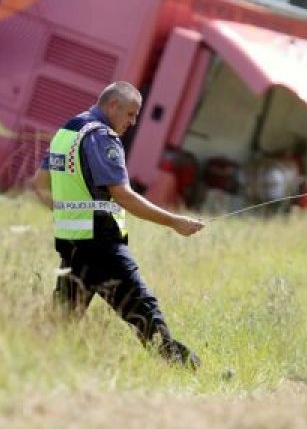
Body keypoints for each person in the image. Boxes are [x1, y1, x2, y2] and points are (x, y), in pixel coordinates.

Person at [32, 81, 205, 369]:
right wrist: (174, 221)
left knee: (61, 322)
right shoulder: (102, 136)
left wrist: (70, 213)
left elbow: (37, 185)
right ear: (112, 105)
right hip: (102, 245)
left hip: (72, 244)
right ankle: (189, 371)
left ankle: (34, 369)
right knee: (144, 312)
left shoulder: (68, 131)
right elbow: (123, 195)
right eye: (131, 114)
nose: (133, 122)